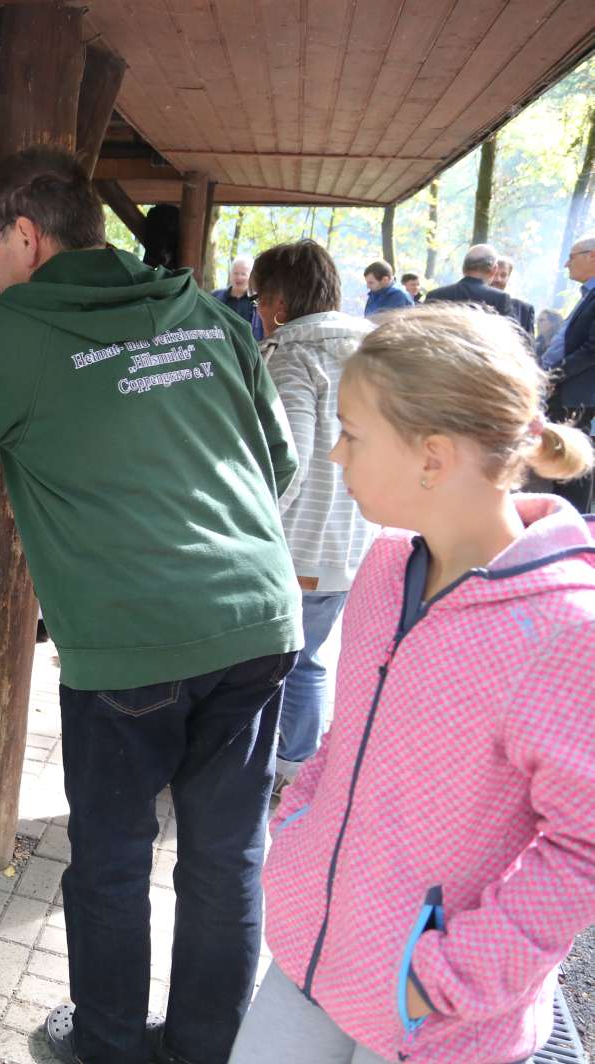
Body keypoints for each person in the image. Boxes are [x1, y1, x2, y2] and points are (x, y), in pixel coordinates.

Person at [0, 146, 302, 1064]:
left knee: (112, 861)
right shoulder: (200, 310)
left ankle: (109, 1046)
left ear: (26, 238)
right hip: (261, 623)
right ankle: (206, 1049)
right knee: (226, 860)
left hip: (130, 644)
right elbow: (283, 461)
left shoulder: (21, 333)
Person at [229, 304, 595, 1064]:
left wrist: (445, 980)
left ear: (432, 457)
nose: (335, 455)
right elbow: (349, 730)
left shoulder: (564, 628)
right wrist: (296, 843)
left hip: (440, 1020)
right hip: (315, 954)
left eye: (353, 434)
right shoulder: (386, 565)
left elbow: (582, 845)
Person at [252, 242, 378, 785]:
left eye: (257, 298)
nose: (256, 311)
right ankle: (296, 762)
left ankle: (271, 768)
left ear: (278, 301)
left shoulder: (291, 355)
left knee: (274, 666)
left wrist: (249, 534)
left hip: (296, 546)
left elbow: (288, 462)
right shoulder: (372, 351)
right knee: (310, 659)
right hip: (355, 539)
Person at [543, 233, 595, 512]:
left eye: (572, 257)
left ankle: (574, 522)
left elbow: (592, 349)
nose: (566, 265)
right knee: (564, 457)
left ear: (592, 256)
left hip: (580, 394)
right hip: (570, 390)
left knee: (576, 460)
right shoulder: (588, 294)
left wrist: (556, 374)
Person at [422, 244, 520, 328]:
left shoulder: (435, 295)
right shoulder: (500, 299)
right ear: (494, 269)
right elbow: (515, 337)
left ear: (463, 268)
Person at [213, 256, 266, 341]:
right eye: (235, 273)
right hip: (221, 348)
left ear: (251, 276)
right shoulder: (215, 297)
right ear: (230, 274)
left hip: (250, 350)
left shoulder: (260, 300)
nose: (239, 277)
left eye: (243, 274)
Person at [487, 252, 536, 339]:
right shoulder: (471, 304)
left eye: (503, 275)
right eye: (494, 274)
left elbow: (529, 348)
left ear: (508, 277)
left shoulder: (524, 310)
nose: (498, 279)